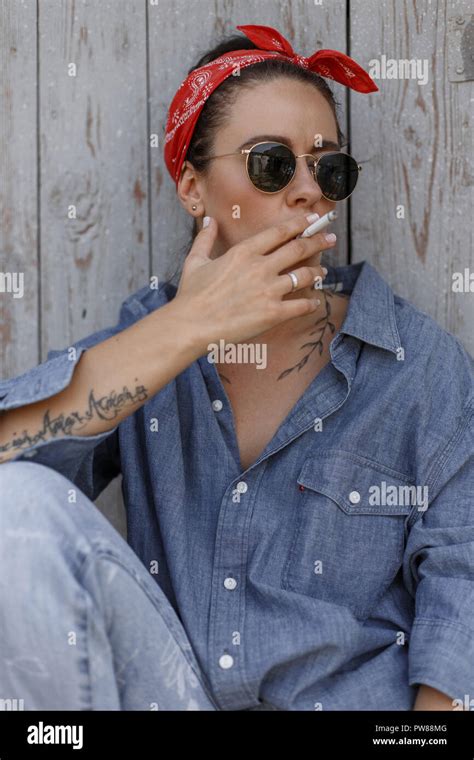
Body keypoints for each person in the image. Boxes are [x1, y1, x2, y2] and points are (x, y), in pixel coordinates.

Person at [0, 24, 473, 712]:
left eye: (328, 168)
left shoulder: (416, 362)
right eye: (272, 164)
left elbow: (463, 590)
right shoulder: (150, 342)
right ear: (194, 189)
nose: (309, 191)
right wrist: (193, 325)